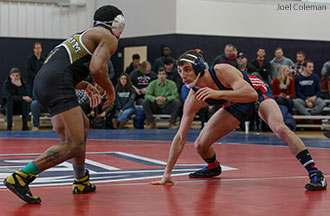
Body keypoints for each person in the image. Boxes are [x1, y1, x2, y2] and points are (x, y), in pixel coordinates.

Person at [151, 50, 327, 191]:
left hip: (257, 94)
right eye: (180, 71)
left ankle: (316, 173)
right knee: (200, 145)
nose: (183, 75)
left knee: (280, 128)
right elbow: (181, 136)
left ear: (199, 69)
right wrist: (167, 173)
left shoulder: (222, 70)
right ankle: (213, 167)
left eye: (187, 70)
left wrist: (218, 94)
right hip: (234, 102)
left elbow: (250, 94)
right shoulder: (193, 98)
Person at [4, 5, 125, 204]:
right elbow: (96, 68)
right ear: (118, 23)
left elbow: (63, 67)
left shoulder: (84, 35)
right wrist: (110, 90)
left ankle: (81, 180)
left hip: (44, 83)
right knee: (73, 144)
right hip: (56, 83)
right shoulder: (107, 37)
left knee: (82, 127)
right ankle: (21, 177)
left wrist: (84, 84)